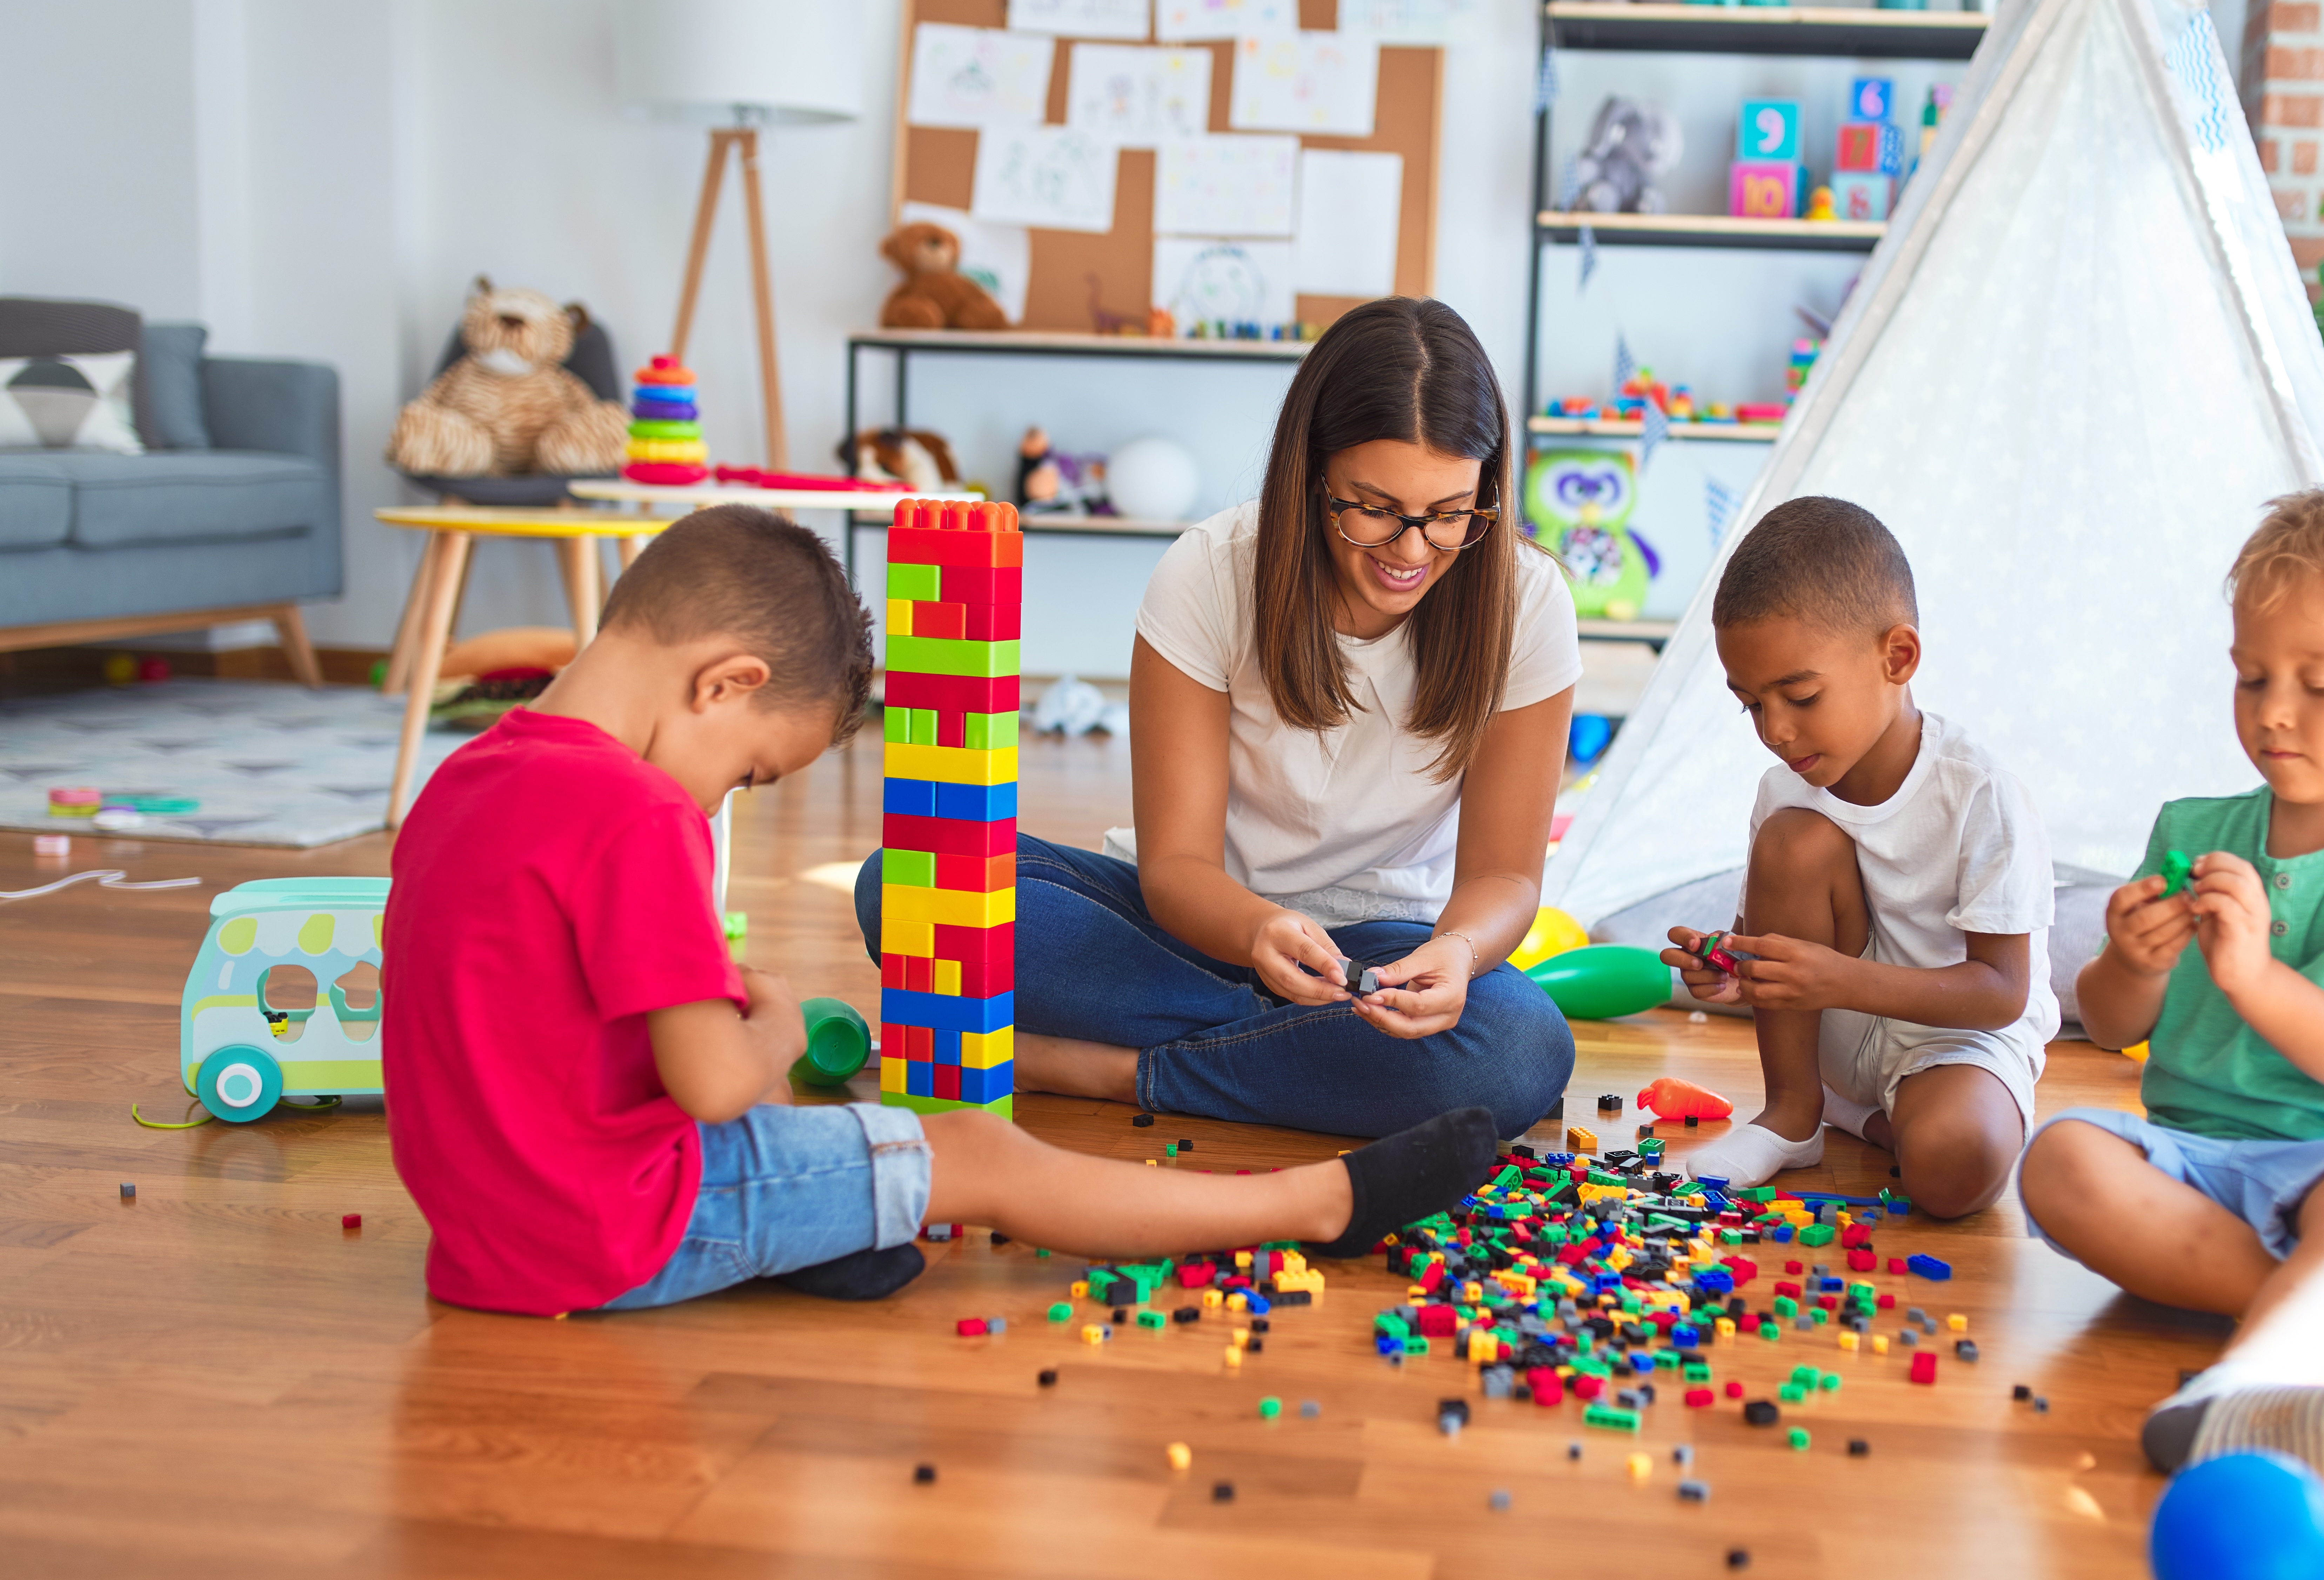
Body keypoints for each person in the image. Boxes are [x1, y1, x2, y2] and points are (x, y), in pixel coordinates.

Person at [383, 505, 1502, 1316]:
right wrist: (772, 1016)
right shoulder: (636, 814)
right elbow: (721, 1087)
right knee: (976, 1150)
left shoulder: (463, 781)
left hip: (477, 1236)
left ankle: (833, 1228)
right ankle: (1314, 1205)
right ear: (728, 683)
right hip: (600, 1234)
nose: (724, 800)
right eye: (753, 776)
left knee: (854, 1149)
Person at [855, 298, 1580, 1141]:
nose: (1412, 551)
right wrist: (1257, 929)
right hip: (1190, 928)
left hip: (1384, 953)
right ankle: (1303, 1058)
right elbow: (1179, 866)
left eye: (1451, 513)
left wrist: (1456, 953)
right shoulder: (1209, 571)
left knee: (1521, 1045)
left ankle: (1106, 1068)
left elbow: (1506, 879)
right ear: (1311, 474)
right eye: (1375, 508)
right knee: (906, 884)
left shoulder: (1525, 601)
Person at [2019, 483, 2324, 1488]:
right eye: (2251, 678)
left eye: (2321, 686)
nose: (2275, 713)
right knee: (2058, 1158)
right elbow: (2111, 1027)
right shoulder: (2195, 831)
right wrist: (2132, 965)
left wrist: (2257, 978)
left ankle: (2244, 1387)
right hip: (2195, 1155)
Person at [1659, 497, 2057, 1207]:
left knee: (1951, 1170)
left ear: (1896, 657)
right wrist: (1729, 970)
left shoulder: (1980, 792)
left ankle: (1869, 1119)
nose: (1775, 730)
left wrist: (1834, 980)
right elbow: (1770, 959)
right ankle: (1793, 1114)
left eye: (1801, 696)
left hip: (1955, 1040)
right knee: (1792, 837)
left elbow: (2001, 993)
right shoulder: (1783, 792)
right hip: (1834, 1037)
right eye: (1751, 704)